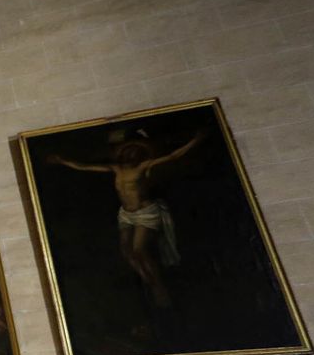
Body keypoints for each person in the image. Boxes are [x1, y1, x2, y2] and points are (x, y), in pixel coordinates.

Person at [45, 129, 205, 308]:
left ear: (140, 154)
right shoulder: (116, 168)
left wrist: (194, 141)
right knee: (126, 251)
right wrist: (62, 161)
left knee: (138, 250)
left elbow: (173, 156)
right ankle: (148, 281)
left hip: (145, 213)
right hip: (126, 214)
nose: (131, 153)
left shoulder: (143, 167)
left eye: (135, 151)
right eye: (128, 151)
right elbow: (85, 166)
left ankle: (159, 287)